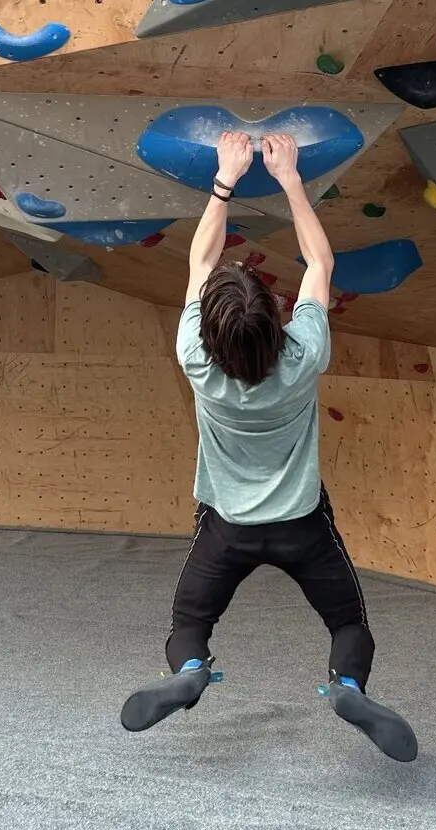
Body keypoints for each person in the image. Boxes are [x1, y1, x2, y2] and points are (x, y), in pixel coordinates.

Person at [120, 130, 417, 762]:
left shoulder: (195, 358)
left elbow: (200, 263)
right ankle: (345, 686)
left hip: (226, 527)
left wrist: (225, 179)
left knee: (190, 626)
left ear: (210, 328)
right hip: (302, 526)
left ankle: (192, 673)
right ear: (277, 318)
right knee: (347, 623)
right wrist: (289, 179)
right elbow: (320, 264)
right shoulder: (303, 356)